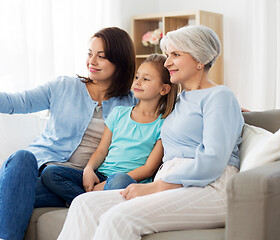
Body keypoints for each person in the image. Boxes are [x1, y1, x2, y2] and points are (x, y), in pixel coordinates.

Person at [0, 27, 138, 240]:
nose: (92, 61)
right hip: (30, 171)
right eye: (90, 53)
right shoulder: (64, 86)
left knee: (0, 198)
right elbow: (15, 103)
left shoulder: (132, 102)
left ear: (120, 61)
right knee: (22, 158)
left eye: (101, 56)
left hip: (72, 181)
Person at [57, 25, 245, 240]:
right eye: (167, 55)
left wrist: (158, 186)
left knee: (119, 218)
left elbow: (212, 161)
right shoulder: (182, 99)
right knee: (84, 203)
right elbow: (147, 100)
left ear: (199, 59)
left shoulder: (220, 96)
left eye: (175, 55)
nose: (167, 63)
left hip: (211, 187)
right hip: (176, 183)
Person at [41, 54, 178, 205]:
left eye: (146, 79)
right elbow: (101, 150)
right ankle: (86, 201)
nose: (138, 82)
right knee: (51, 173)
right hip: (102, 175)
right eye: (137, 77)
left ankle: (84, 200)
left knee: (119, 179)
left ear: (164, 89)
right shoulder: (119, 113)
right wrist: (89, 170)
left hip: (127, 181)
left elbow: (148, 169)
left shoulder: (163, 125)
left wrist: (108, 184)